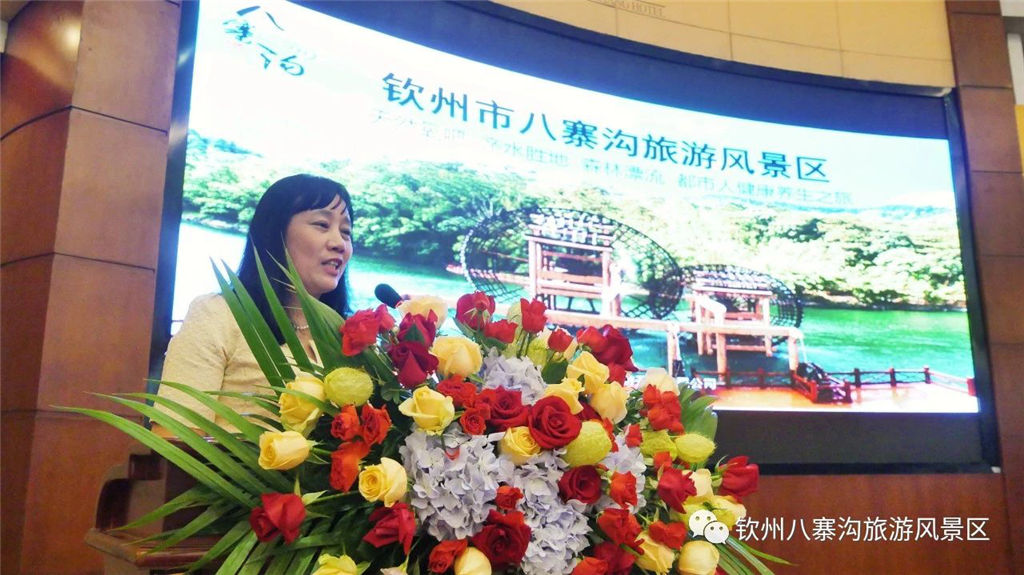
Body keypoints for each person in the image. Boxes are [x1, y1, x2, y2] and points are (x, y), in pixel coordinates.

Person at [155, 174, 353, 429]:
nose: (339, 243)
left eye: (346, 232)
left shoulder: (350, 338)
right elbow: (174, 436)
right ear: (275, 233)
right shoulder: (219, 315)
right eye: (322, 224)